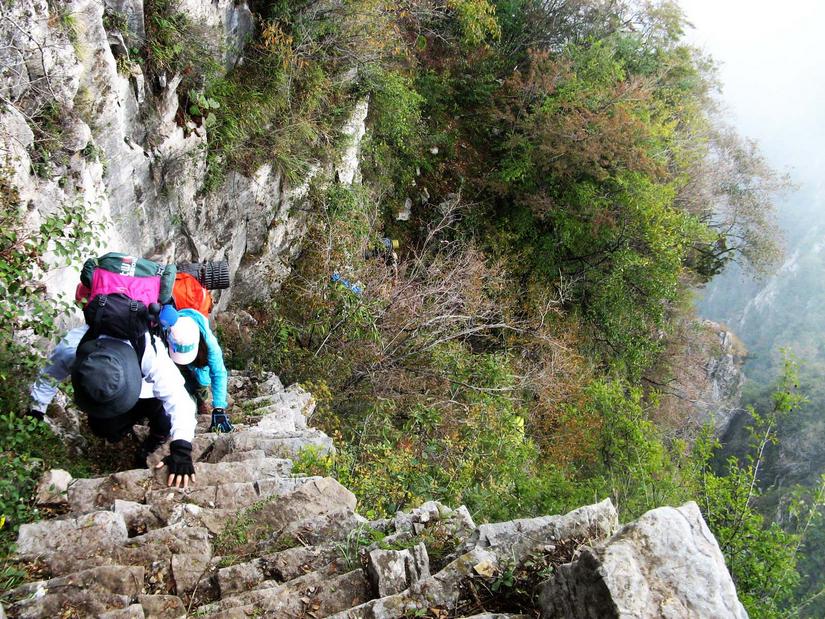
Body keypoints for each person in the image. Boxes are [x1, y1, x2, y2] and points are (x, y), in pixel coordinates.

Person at [28, 325, 198, 488]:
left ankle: (153, 440)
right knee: (102, 429)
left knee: (164, 422)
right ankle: (120, 428)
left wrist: (181, 449)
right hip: (123, 394)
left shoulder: (149, 352)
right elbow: (49, 375)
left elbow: (180, 400)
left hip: (151, 392)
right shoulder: (73, 348)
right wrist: (36, 410)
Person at [165, 308, 234, 433]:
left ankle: (199, 397)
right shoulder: (169, 329)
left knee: (200, 383)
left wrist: (219, 407)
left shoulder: (210, 344)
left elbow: (218, 373)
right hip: (173, 364)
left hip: (198, 371)